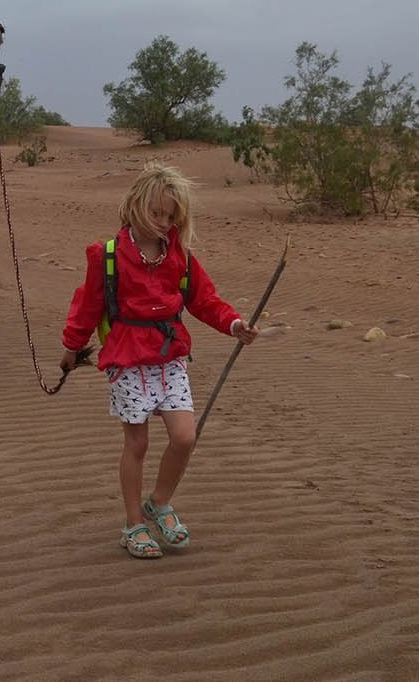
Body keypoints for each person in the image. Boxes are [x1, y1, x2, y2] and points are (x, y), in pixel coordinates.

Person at [59, 164, 259, 559]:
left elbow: (204, 300)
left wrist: (234, 324)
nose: (164, 223)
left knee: (185, 437)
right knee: (137, 442)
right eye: (156, 213)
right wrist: (71, 347)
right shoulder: (107, 255)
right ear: (135, 204)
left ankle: (159, 502)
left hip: (170, 357)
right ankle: (133, 524)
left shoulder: (179, 256)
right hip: (127, 357)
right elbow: (88, 306)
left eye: (171, 217)